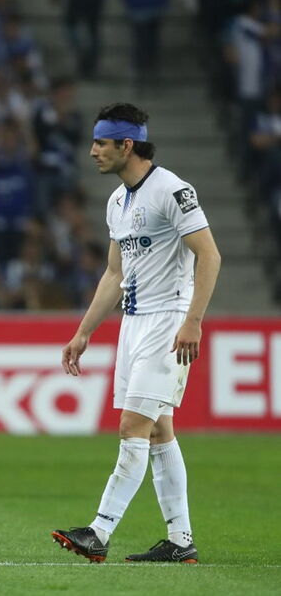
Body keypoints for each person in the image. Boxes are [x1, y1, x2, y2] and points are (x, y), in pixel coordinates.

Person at [51, 103, 221, 563]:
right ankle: (181, 541)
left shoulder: (172, 190)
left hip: (168, 322)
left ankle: (99, 532)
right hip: (133, 323)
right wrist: (83, 332)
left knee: (132, 427)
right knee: (160, 430)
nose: (93, 152)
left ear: (127, 145)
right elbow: (114, 274)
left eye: (101, 143)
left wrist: (193, 321)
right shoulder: (117, 201)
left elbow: (210, 255)